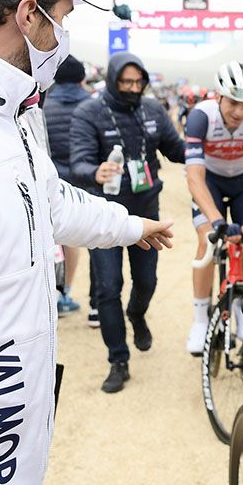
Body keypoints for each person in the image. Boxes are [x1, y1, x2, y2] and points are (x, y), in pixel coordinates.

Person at [0, 0, 174, 485]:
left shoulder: (14, 111)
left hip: (10, 465)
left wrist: (132, 225)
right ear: (27, 14)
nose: (62, 38)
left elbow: (51, 203)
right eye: (61, 19)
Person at [70, 51, 185, 392]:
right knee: (107, 289)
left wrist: (208, 141)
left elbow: (177, 149)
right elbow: (78, 163)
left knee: (146, 282)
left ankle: (137, 314)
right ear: (113, 80)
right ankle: (117, 360)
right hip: (103, 218)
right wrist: (95, 171)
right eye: (127, 82)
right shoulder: (88, 112)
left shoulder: (152, 109)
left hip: (147, 215)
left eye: (139, 82)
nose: (134, 88)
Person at [184, 60, 243, 354]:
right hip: (210, 181)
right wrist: (216, 222)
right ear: (219, 96)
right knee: (207, 242)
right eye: (234, 102)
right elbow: (194, 178)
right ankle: (200, 320)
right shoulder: (201, 117)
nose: (240, 111)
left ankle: (241, 310)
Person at [43, 55, 92, 317]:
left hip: (49, 179)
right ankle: (65, 293)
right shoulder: (91, 105)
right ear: (81, 77)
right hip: (80, 182)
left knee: (45, 237)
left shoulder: (43, 104)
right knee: (72, 239)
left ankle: (47, 294)